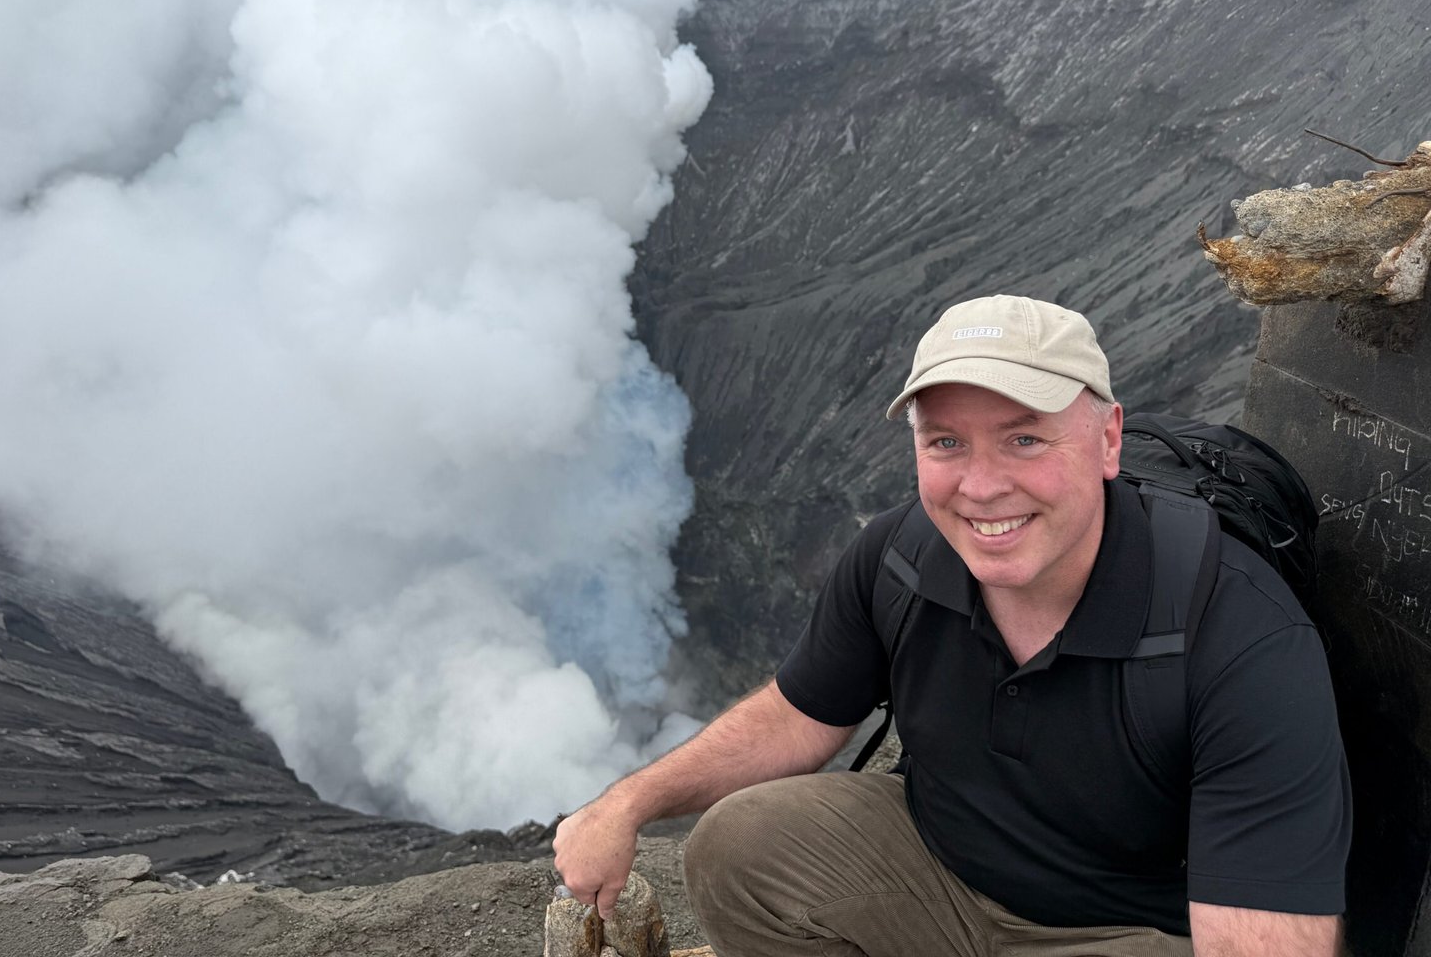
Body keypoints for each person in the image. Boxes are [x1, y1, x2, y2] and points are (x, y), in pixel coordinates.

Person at [553, 294, 1351, 956]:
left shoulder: (1237, 635)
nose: (981, 486)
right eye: (946, 442)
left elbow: (1259, 942)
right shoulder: (901, 556)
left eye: (1025, 438)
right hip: (939, 876)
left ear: (1108, 441)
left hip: (1119, 933)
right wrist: (625, 804)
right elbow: (798, 716)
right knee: (741, 846)